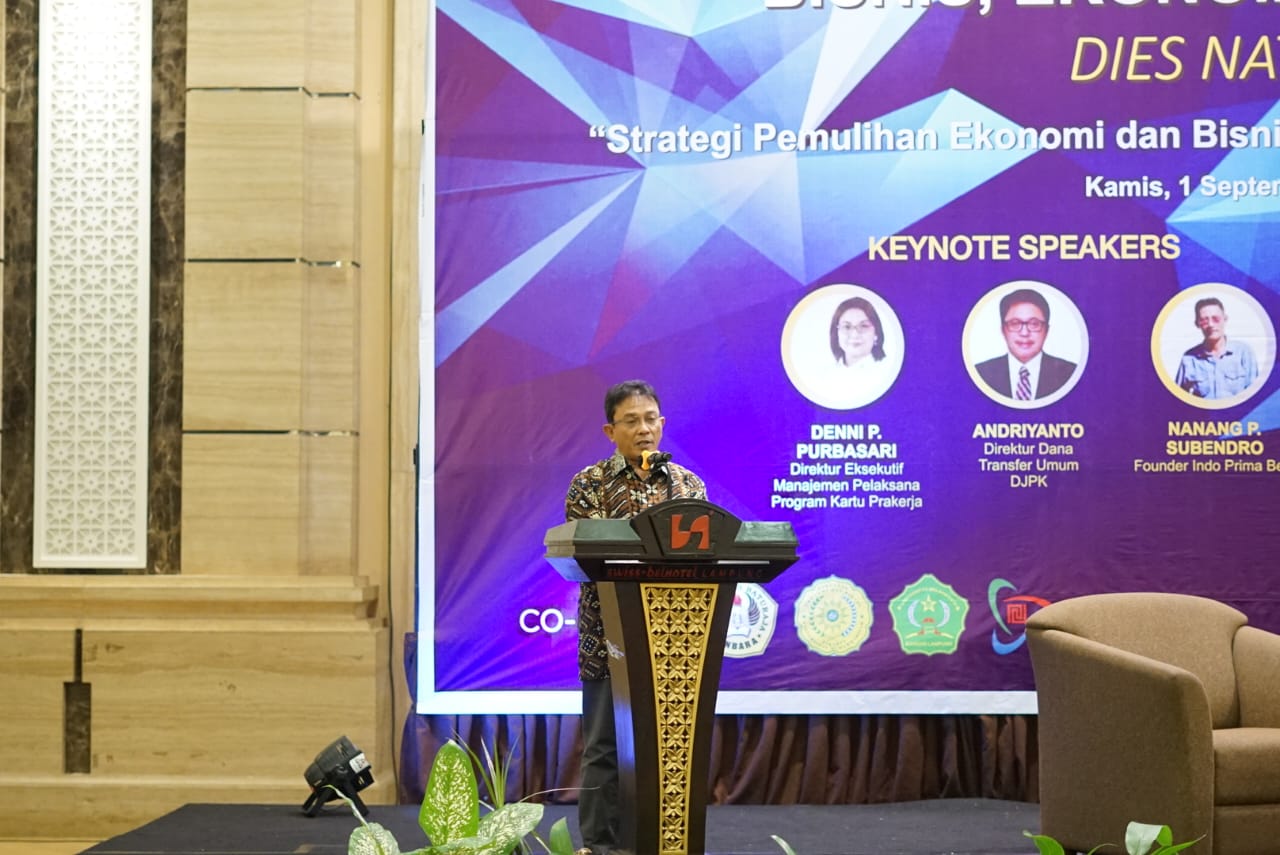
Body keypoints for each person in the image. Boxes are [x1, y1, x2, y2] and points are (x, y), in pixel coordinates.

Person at [563, 379, 707, 855]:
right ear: (611, 430)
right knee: (604, 745)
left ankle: (661, 841)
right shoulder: (588, 485)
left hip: (673, 639)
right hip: (609, 635)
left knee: (666, 749)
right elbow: (593, 553)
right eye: (631, 421)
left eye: (650, 420)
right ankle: (599, 846)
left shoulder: (688, 486)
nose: (643, 429)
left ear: (662, 424)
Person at [974, 288, 1077, 401]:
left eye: (1034, 324)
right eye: (1015, 323)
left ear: (1046, 330)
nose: (1024, 333)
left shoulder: (1070, 374)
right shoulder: (981, 374)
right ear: (1003, 330)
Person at [1174, 297, 1258, 399]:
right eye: (1204, 320)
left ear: (1225, 319)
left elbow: (1255, 397)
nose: (1210, 324)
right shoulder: (1189, 359)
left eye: (1216, 319)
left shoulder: (1244, 353)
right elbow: (1176, 400)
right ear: (1197, 324)